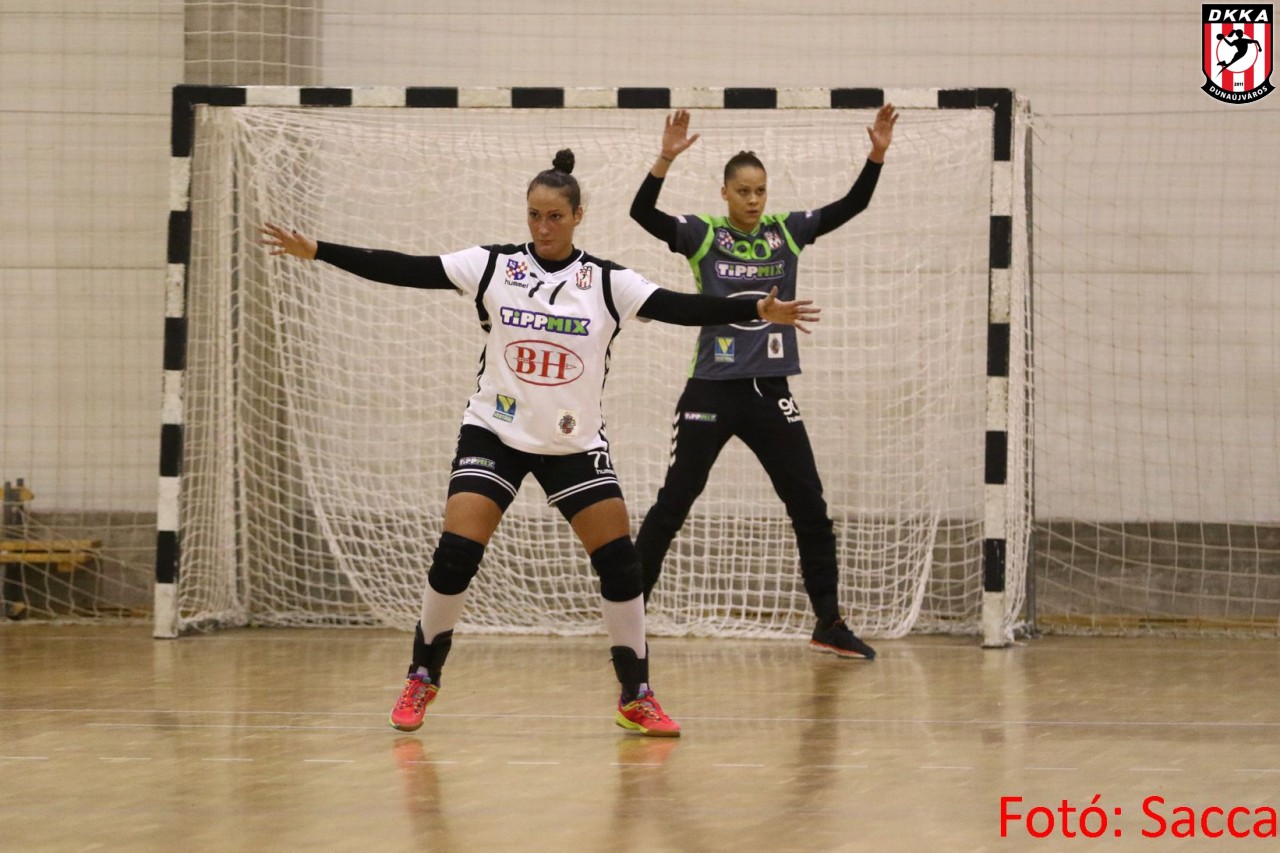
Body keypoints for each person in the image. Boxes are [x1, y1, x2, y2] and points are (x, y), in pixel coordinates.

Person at [260, 149, 820, 738]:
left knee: (621, 565)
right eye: (534, 215)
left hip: (572, 442)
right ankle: (422, 675)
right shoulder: (493, 266)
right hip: (496, 430)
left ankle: (636, 695)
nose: (543, 227)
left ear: (578, 215)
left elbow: (678, 306)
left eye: (555, 216)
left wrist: (753, 306)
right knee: (455, 554)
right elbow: (407, 268)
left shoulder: (606, 281)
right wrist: (318, 250)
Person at [629, 106, 898, 660]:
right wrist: (664, 159)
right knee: (675, 501)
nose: (753, 200)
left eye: (760, 191)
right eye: (744, 191)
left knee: (809, 504)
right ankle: (627, 614)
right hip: (711, 387)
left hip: (770, 391)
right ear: (725, 193)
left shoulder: (786, 232)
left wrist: (875, 156)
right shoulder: (703, 234)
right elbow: (642, 213)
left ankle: (828, 622)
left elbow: (853, 205)